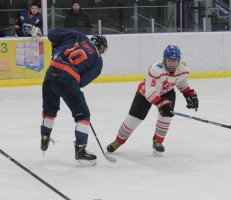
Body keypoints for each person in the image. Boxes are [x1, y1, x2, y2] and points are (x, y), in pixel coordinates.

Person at [106, 45, 199, 156]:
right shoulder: (156, 69)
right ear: (164, 59)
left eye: (175, 62)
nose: (172, 64)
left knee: (166, 117)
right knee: (133, 119)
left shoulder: (183, 69)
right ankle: (118, 141)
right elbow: (150, 92)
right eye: (170, 61)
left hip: (167, 92)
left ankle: (158, 142)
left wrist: (189, 95)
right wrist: (160, 103)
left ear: (179, 61)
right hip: (145, 93)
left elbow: (181, 83)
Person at [40, 28, 107, 165]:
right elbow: (81, 82)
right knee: (83, 116)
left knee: (49, 111)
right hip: (68, 81)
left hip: (50, 74)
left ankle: (45, 137)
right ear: (100, 47)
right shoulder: (98, 61)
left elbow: (52, 35)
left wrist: (57, 47)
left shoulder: (79, 36)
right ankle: (81, 152)